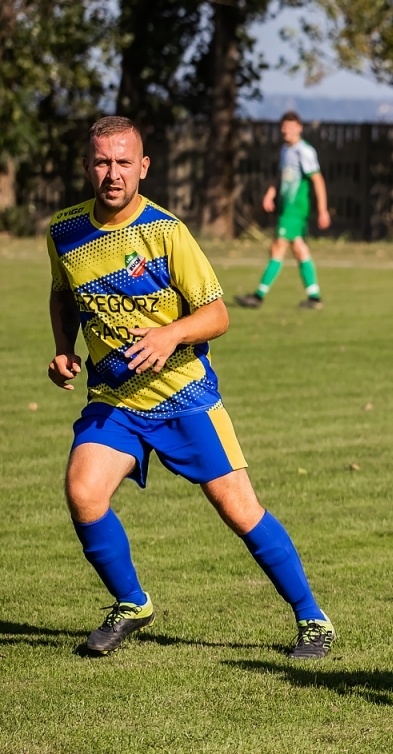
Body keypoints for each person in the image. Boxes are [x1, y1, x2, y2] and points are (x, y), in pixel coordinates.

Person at [46, 116, 335, 659]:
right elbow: (63, 293)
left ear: (143, 167)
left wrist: (170, 333)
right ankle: (132, 603)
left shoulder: (166, 232)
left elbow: (217, 315)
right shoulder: (64, 230)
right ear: (86, 166)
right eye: (102, 162)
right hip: (114, 399)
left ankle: (312, 618)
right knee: (83, 493)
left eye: (123, 162)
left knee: (240, 510)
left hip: (182, 395)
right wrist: (64, 348)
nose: (113, 173)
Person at [236, 110, 329, 310]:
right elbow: (280, 176)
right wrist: (270, 194)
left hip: (295, 209)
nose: (286, 131)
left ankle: (258, 296)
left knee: (278, 247)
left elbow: (317, 179)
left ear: (299, 128)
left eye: (290, 127)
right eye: (284, 127)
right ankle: (314, 297)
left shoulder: (304, 151)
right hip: (287, 208)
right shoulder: (286, 150)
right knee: (299, 250)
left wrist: (322, 209)